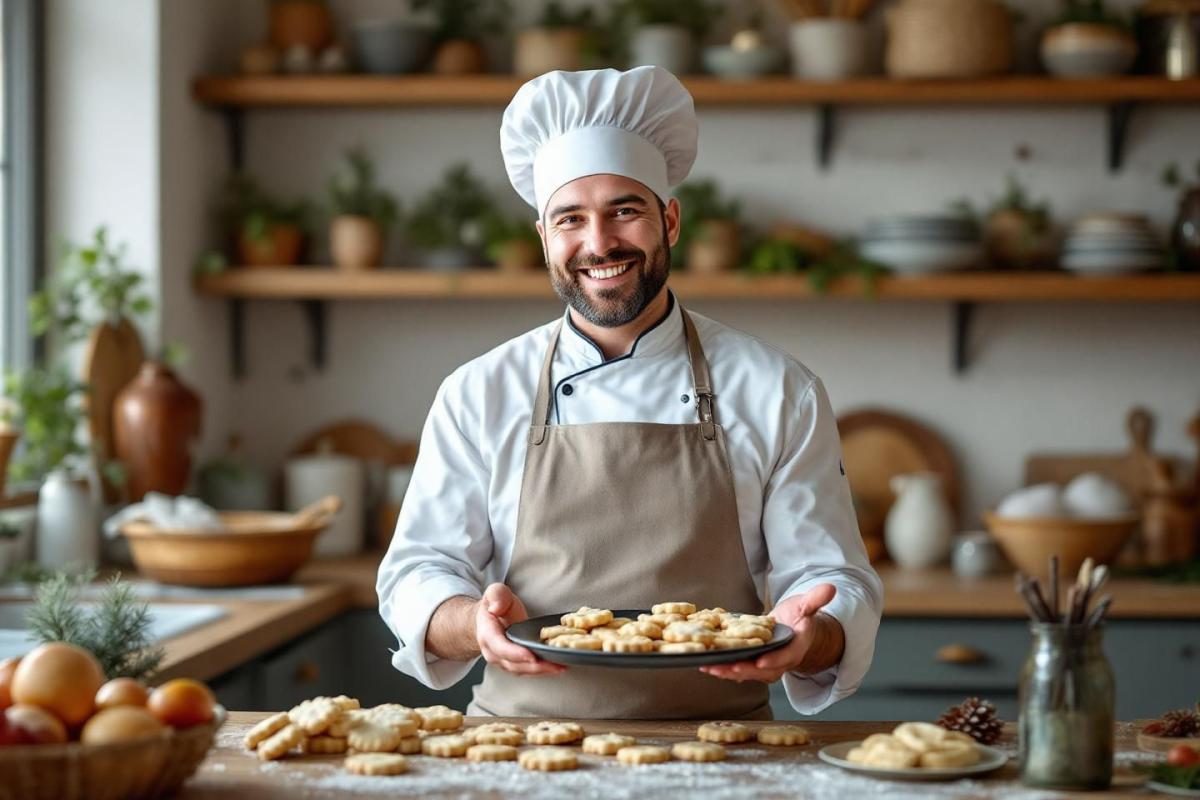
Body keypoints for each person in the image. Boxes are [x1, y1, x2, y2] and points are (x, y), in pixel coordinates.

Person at [378, 66, 882, 719]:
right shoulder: (478, 393)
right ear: (543, 238)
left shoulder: (778, 390)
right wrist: (472, 623)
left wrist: (811, 636)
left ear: (669, 221)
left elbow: (831, 579)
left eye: (625, 210)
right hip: (518, 748)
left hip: (721, 750)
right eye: (570, 219)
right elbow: (418, 571)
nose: (599, 243)